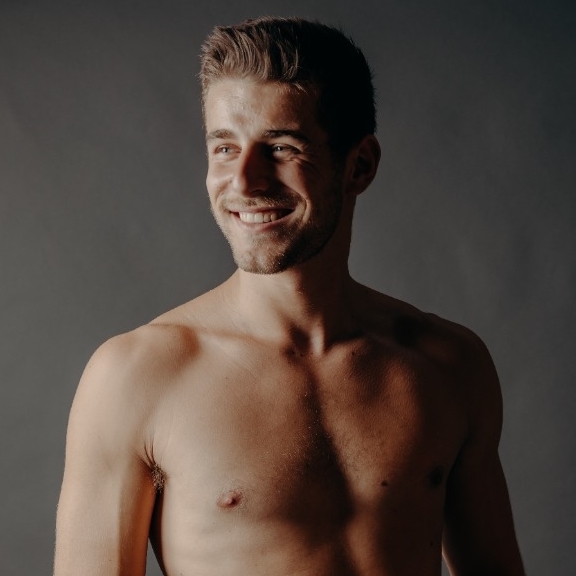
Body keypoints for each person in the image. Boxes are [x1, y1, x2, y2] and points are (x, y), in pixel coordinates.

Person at [54, 16, 525, 576]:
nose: (244, 181)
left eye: (280, 147)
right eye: (224, 148)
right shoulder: (137, 376)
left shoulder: (449, 366)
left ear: (359, 166)